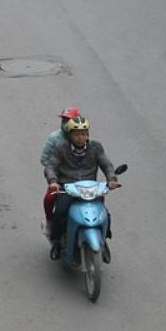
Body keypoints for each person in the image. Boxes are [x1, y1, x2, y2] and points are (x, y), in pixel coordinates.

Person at [44, 115, 120, 255]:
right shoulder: (61, 148)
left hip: (90, 188)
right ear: (69, 135)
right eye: (77, 134)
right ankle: (56, 243)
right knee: (60, 212)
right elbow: (50, 166)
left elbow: (106, 164)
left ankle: (103, 240)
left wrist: (111, 179)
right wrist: (53, 181)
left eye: (84, 134)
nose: (81, 137)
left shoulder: (95, 147)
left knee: (105, 215)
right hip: (68, 187)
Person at [40, 106, 81, 224]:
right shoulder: (54, 138)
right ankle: (49, 221)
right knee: (50, 198)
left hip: (80, 177)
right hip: (60, 177)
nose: (65, 122)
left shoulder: (81, 136)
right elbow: (45, 159)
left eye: (68, 120)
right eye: (64, 120)